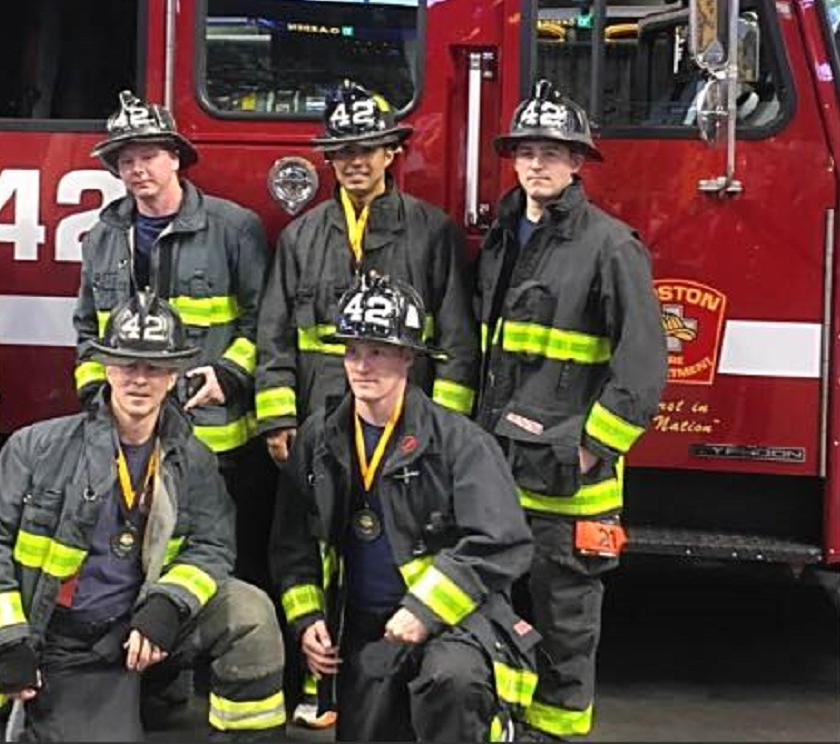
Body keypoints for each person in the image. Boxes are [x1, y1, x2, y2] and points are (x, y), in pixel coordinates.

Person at [253, 78, 480, 728]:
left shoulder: (430, 233)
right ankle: (317, 689)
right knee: (312, 546)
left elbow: (457, 338)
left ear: (390, 155)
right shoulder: (303, 238)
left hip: (401, 429)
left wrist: (449, 431)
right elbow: (273, 334)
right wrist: (278, 416)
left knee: (391, 550)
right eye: (343, 152)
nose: (354, 161)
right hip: (321, 427)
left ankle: (403, 678)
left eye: (368, 149)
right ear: (330, 161)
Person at [0, 293, 287, 742]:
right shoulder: (36, 447)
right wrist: (8, 640)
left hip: (140, 623)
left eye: (154, 368)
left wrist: (167, 605)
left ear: (173, 374)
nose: (140, 379)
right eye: (127, 364)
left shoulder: (192, 458)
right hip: (66, 643)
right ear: (106, 368)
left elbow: (212, 544)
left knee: (248, 612)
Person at [474, 80, 667, 740]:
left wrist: (588, 449)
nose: (538, 164)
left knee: (565, 633)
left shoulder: (611, 247)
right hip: (499, 476)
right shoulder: (502, 238)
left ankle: (554, 735)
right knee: (494, 619)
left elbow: (643, 370)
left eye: (553, 153)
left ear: (578, 163)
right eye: (528, 151)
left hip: (569, 490)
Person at [269, 272, 537, 742]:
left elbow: (502, 541)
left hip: (453, 624)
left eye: (378, 351)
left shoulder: (459, 443)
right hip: (366, 628)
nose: (362, 365)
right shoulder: (320, 437)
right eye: (352, 350)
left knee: (452, 682)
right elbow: (293, 543)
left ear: (408, 357)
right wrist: (308, 619)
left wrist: (424, 610)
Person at [73, 91, 276, 591]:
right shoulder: (102, 237)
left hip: (218, 437)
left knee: (229, 561)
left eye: (148, 156)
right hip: (132, 439)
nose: (137, 169)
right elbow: (86, 330)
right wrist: (98, 397)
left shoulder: (233, 228)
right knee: (138, 559)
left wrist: (229, 374)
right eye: (126, 160)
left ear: (176, 158)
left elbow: (265, 321)